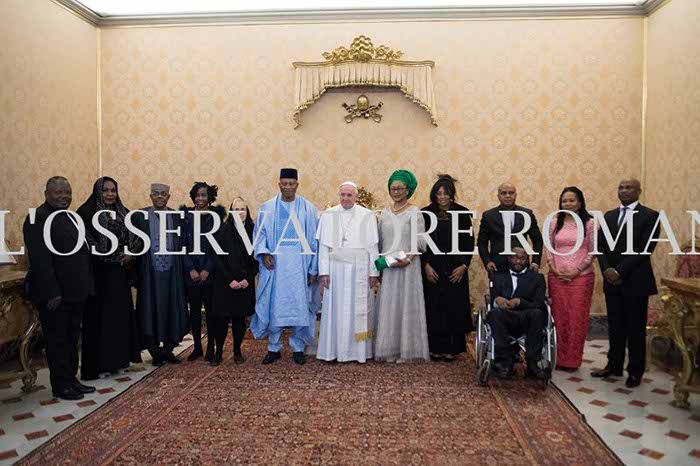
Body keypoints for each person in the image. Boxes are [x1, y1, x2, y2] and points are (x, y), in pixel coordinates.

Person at [23, 176, 95, 400]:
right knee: (57, 341)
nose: (64, 196)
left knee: (72, 338)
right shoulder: (37, 217)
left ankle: (72, 379)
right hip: (55, 294)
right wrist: (52, 291)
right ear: (46, 194)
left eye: (68, 192)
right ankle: (61, 385)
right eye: (59, 192)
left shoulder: (68, 217)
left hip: (75, 291)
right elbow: (40, 260)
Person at [592, 179, 659, 388]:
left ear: (639, 191)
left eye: (628, 187)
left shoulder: (650, 216)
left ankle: (635, 372)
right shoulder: (609, 216)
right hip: (612, 281)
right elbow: (600, 245)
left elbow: (645, 249)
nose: (623, 191)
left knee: (635, 328)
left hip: (636, 281)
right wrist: (607, 270)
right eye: (621, 187)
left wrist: (619, 270)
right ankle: (613, 365)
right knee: (615, 326)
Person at [250, 168, 319, 365]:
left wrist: (313, 269)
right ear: (279, 184)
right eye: (284, 184)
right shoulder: (267, 208)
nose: (288, 187)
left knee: (299, 306)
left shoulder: (308, 209)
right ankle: (274, 347)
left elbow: (314, 241)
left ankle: (297, 348)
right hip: (276, 267)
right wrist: (264, 253)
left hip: (300, 265)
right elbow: (260, 234)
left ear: (297, 185)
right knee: (275, 306)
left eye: (291, 184)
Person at [76, 176, 142, 380]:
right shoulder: (86, 213)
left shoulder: (123, 212)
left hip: (119, 274)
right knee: (99, 320)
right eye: (105, 190)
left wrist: (130, 254)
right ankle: (98, 366)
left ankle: (118, 361)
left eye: (113, 190)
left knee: (118, 319)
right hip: (97, 274)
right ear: (98, 191)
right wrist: (108, 255)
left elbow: (137, 238)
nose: (110, 194)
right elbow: (85, 242)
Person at [316, 181, 380, 363]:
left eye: (349, 195)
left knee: (359, 311)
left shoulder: (367, 215)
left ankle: (359, 353)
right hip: (335, 270)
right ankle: (332, 351)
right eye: (342, 195)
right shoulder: (329, 215)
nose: (345, 198)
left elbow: (373, 247)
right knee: (335, 310)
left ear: (356, 197)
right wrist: (324, 272)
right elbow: (323, 247)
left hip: (359, 270)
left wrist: (373, 272)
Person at [374, 169, 429, 362]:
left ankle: (408, 350)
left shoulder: (415, 212)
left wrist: (409, 259)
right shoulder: (384, 212)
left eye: (400, 188)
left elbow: (420, 241)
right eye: (393, 188)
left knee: (406, 306)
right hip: (389, 266)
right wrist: (381, 262)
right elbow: (380, 241)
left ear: (408, 190)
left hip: (408, 267)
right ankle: (388, 349)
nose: (396, 192)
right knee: (389, 306)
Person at [132, 183, 188, 366]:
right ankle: (155, 351)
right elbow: (133, 243)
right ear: (150, 196)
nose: (159, 197)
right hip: (150, 275)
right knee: (149, 312)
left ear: (168, 197)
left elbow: (184, 244)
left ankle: (168, 350)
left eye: (163, 194)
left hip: (172, 274)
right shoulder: (140, 217)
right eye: (156, 194)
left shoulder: (176, 217)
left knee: (173, 310)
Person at [421, 174, 474, 362]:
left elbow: (469, 242)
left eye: (446, 193)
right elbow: (420, 243)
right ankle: (435, 348)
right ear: (434, 195)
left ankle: (453, 348)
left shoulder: (463, 213)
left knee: (454, 307)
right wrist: (426, 265)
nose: (442, 197)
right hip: (433, 267)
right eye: (439, 193)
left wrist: (464, 266)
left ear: (451, 195)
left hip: (455, 268)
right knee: (434, 307)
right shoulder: (425, 214)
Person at [545, 187, 595, 372]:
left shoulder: (590, 223)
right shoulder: (554, 223)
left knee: (576, 319)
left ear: (579, 203)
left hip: (581, 278)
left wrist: (577, 271)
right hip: (557, 277)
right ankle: (557, 357)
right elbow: (548, 247)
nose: (567, 204)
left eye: (571, 200)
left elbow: (593, 251)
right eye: (564, 201)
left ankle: (572, 360)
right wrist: (553, 268)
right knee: (558, 317)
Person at [180, 182, 226, 362]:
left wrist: (207, 269)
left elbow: (218, 247)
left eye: (203, 195)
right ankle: (197, 347)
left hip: (210, 274)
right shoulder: (185, 217)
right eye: (197, 195)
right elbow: (181, 245)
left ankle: (211, 347)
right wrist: (190, 268)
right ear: (193, 197)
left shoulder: (216, 218)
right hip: (191, 273)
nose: (200, 198)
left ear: (209, 198)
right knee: (194, 313)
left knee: (211, 312)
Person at [209, 197, 258, 365]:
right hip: (224, 283)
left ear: (247, 211)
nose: (239, 213)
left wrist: (247, 279)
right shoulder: (223, 230)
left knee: (239, 320)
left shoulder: (253, 230)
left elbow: (256, 259)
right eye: (236, 210)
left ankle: (237, 351)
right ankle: (218, 353)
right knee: (221, 321)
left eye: (242, 209)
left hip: (245, 283)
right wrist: (230, 280)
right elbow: (217, 258)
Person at [487, 247, 548, 380]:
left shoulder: (537, 278)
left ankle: (532, 363)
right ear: (509, 258)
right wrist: (497, 300)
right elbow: (492, 298)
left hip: (527, 316)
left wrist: (520, 302)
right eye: (515, 257)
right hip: (505, 316)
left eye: (522, 258)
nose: (518, 261)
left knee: (538, 314)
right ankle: (505, 362)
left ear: (527, 260)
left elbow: (539, 303)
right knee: (494, 314)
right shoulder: (498, 276)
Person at [477, 183, 543, 273]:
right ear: (498, 196)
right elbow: (482, 242)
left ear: (515, 195)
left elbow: (537, 240)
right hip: (497, 266)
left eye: (511, 193)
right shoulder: (488, 216)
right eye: (504, 193)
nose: (507, 196)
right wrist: (487, 261)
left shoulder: (527, 214)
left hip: (521, 265)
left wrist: (535, 262)